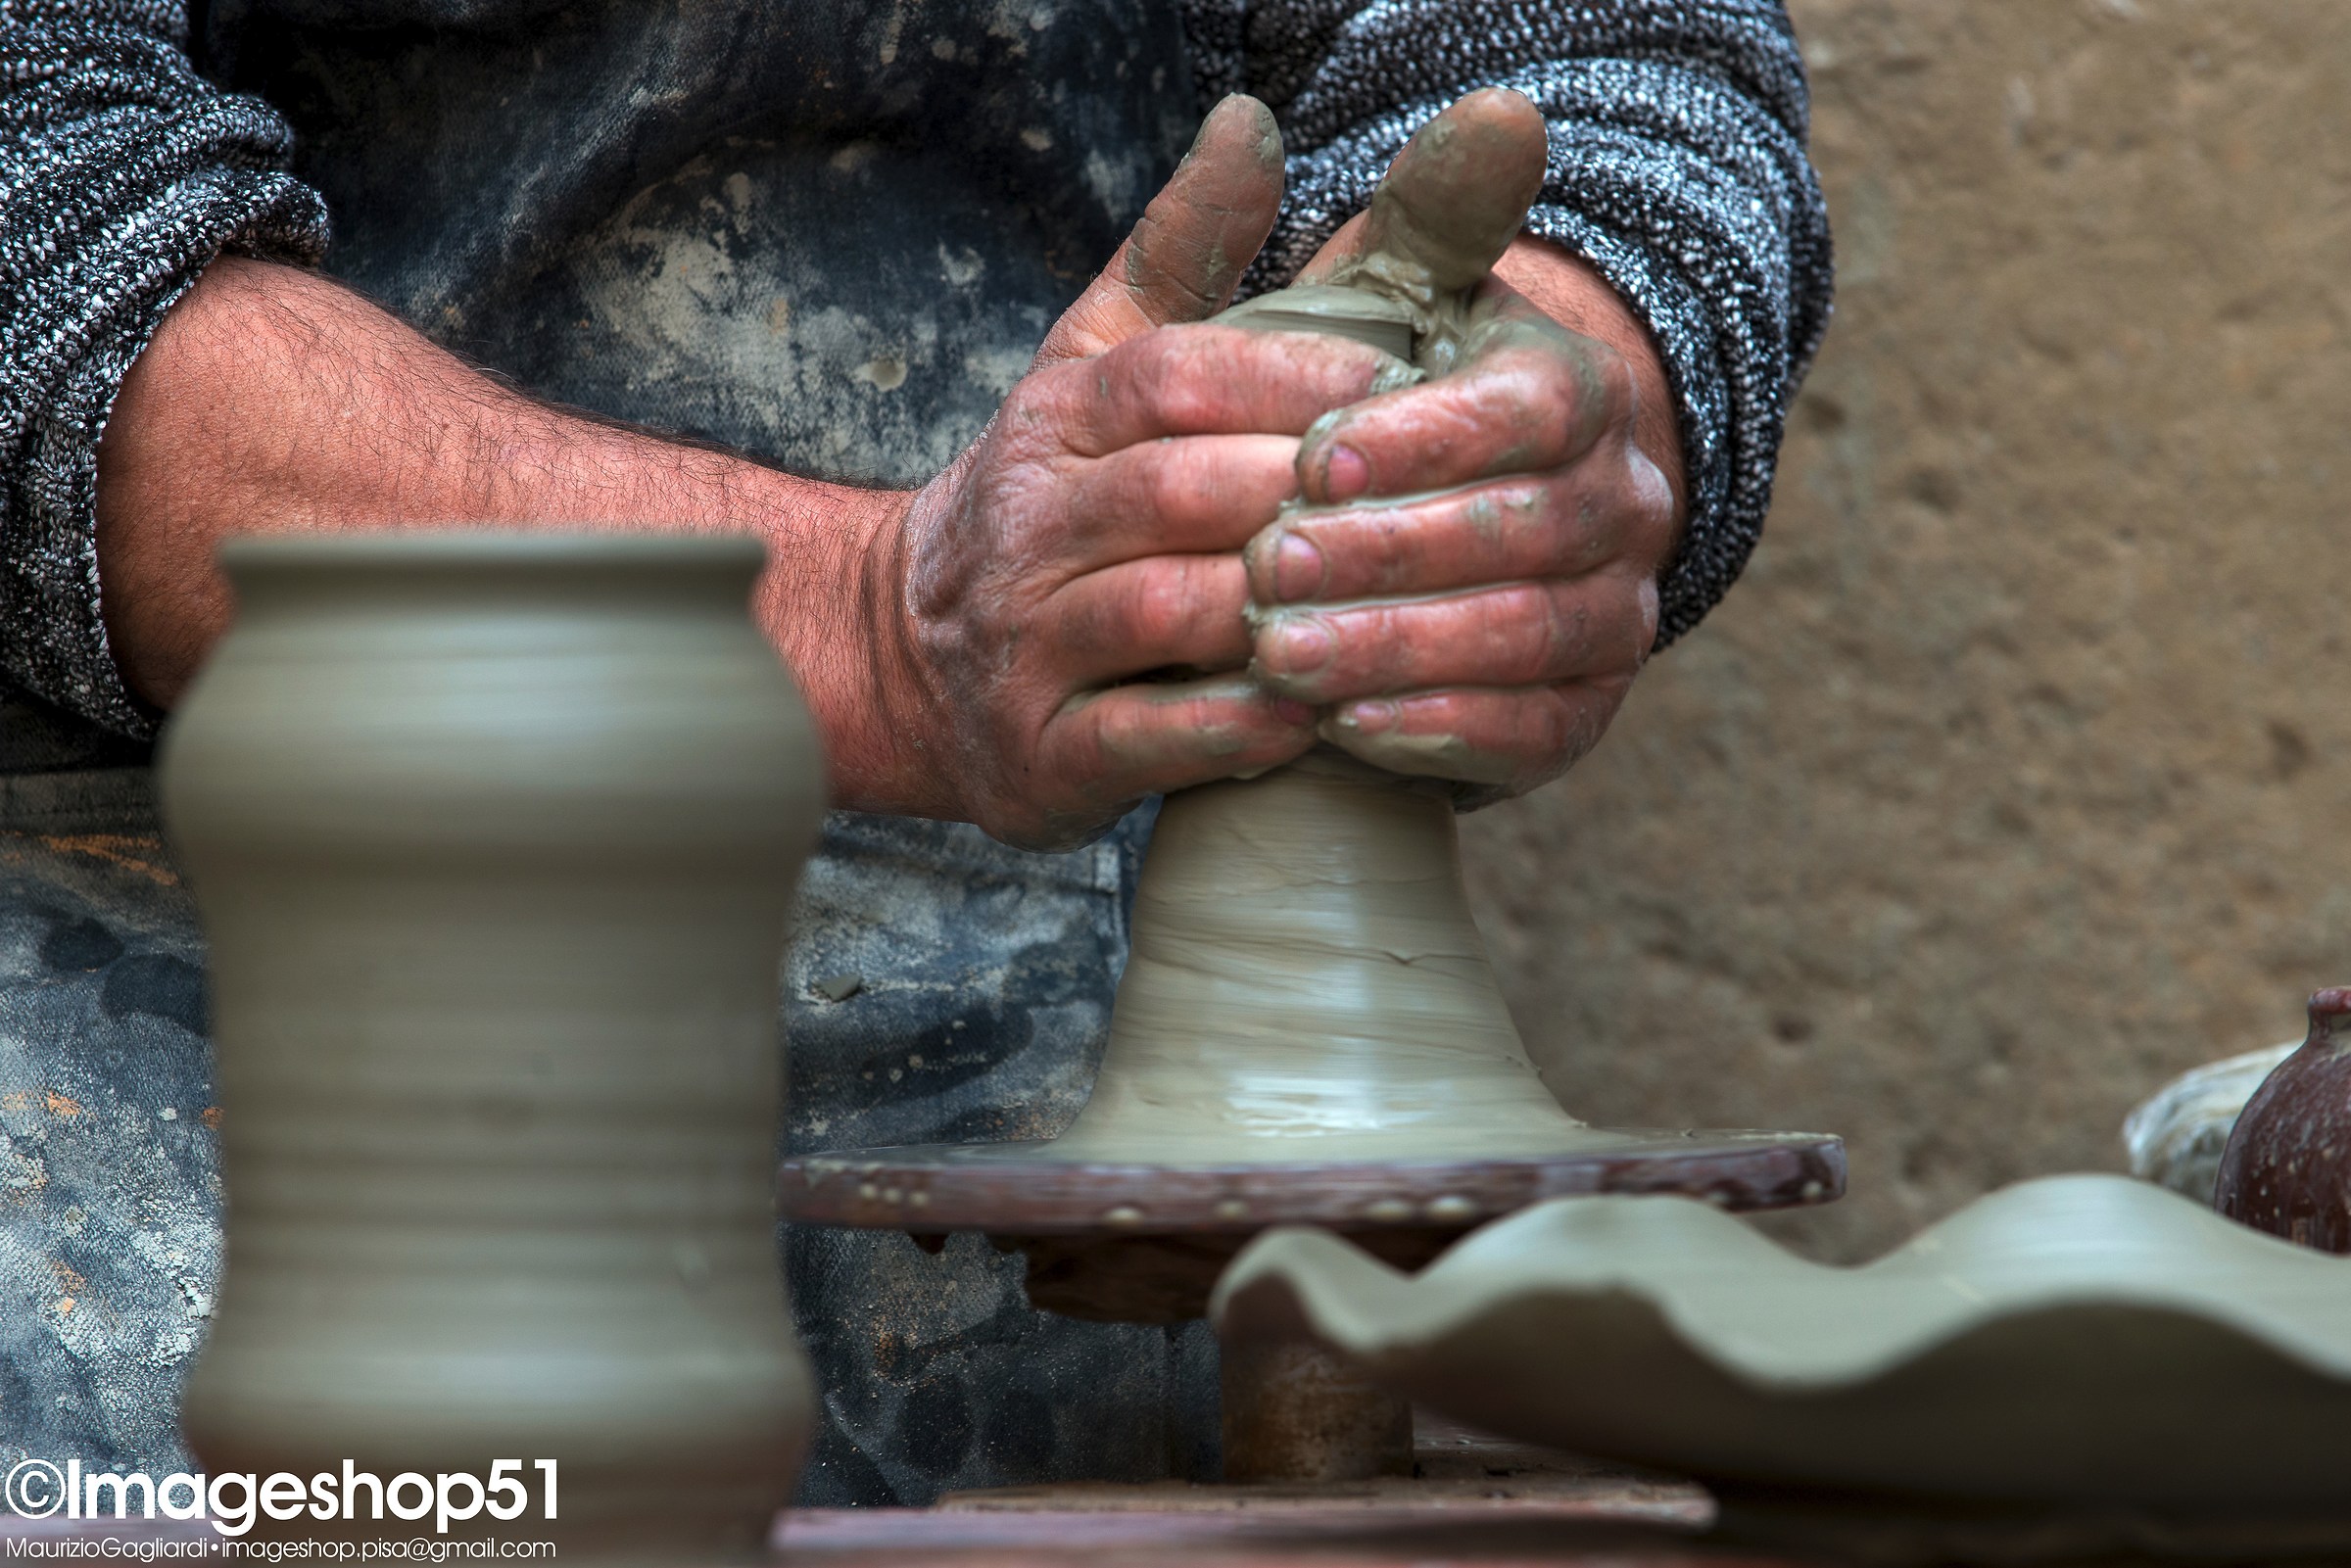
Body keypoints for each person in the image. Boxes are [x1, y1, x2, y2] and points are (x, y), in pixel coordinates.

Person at [0, 0, 1831, 1503]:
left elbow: (1601, 70)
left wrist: (1507, 416)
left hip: (1082, 1056)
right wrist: (873, 626)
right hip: (233, 1032)